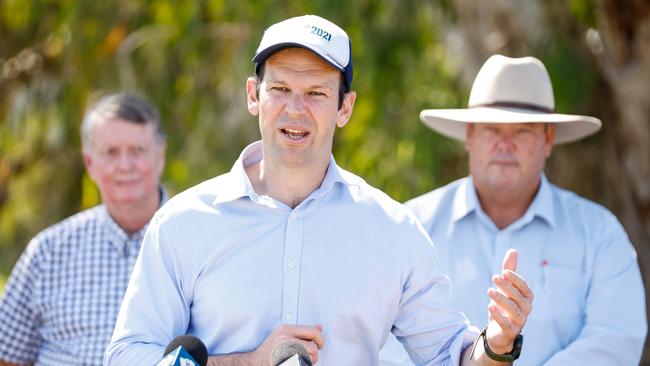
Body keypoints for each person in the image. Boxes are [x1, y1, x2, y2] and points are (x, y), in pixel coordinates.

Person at [106, 16, 532, 365]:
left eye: (316, 93)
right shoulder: (185, 223)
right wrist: (247, 363)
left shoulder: (392, 230)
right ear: (253, 96)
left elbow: (452, 356)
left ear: (345, 108)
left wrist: (496, 345)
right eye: (280, 90)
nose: (295, 108)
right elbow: (127, 357)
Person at [380, 55, 647, 365]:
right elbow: (382, 341)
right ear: (470, 136)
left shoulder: (599, 233)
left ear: (548, 140)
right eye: (492, 129)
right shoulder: (411, 228)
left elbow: (616, 339)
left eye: (522, 131)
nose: (505, 144)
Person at [0, 93, 167, 365]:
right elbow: (6, 355)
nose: (125, 166)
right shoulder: (47, 253)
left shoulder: (201, 241)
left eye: (138, 151)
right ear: (90, 163)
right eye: (111, 152)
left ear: (160, 156)